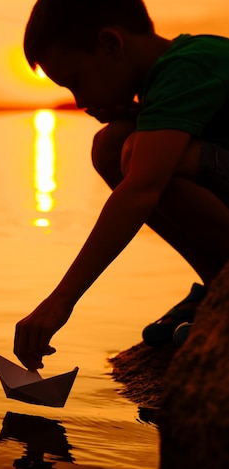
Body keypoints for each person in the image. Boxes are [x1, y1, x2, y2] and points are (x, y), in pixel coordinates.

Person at [14, 0, 229, 371]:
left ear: (111, 44)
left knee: (137, 156)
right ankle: (218, 285)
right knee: (111, 146)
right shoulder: (166, 75)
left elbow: (141, 190)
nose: (79, 102)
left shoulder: (188, 66)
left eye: (76, 81)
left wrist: (60, 301)